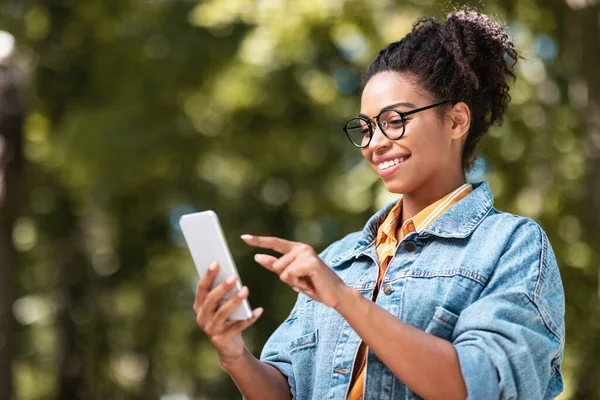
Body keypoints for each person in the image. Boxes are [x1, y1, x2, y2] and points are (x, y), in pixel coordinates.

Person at [193, 9, 565, 400]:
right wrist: (233, 353)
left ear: (456, 121)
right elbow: (287, 391)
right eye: (367, 127)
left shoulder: (511, 245)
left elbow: (481, 385)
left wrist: (345, 299)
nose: (374, 143)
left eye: (394, 120)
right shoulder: (339, 260)